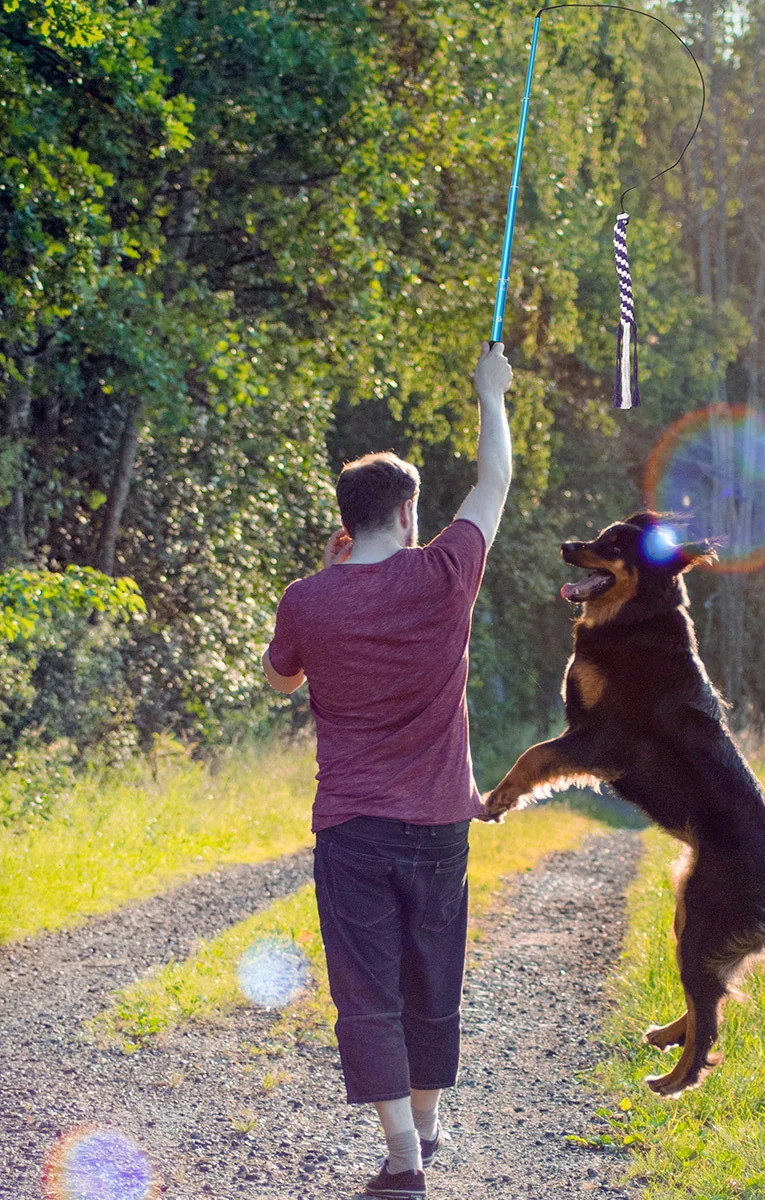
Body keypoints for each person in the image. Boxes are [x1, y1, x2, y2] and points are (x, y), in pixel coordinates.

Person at [262, 342, 514, 1199]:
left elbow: (281, 676)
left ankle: (404, 1154)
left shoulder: (308, 598)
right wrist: (490, 392)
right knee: (433, 971)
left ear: (347, 518)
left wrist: (332, 583)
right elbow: (495, 481)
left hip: (354, 829)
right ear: (407, 515)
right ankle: (432, 1122)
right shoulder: (445, 574)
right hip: (442, 822)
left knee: (367, 986)